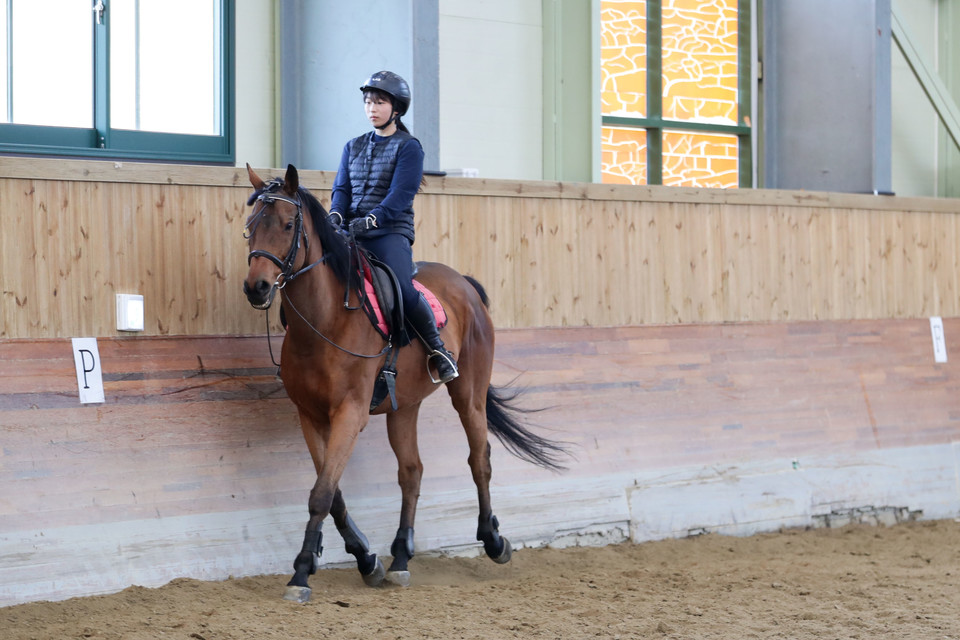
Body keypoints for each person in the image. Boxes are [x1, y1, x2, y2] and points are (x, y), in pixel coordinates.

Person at [328, 70, 458, 383]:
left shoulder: (408, 147)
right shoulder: (353, 146)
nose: (372, 108)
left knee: (402, 287)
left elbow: (401, 194)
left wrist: (373, 219)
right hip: (349, 233)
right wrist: (335, 214)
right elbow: (342, 188)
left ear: (396, 108)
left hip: (388, 234)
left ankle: (438, 351)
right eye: (368, 102)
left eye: (379, 102)